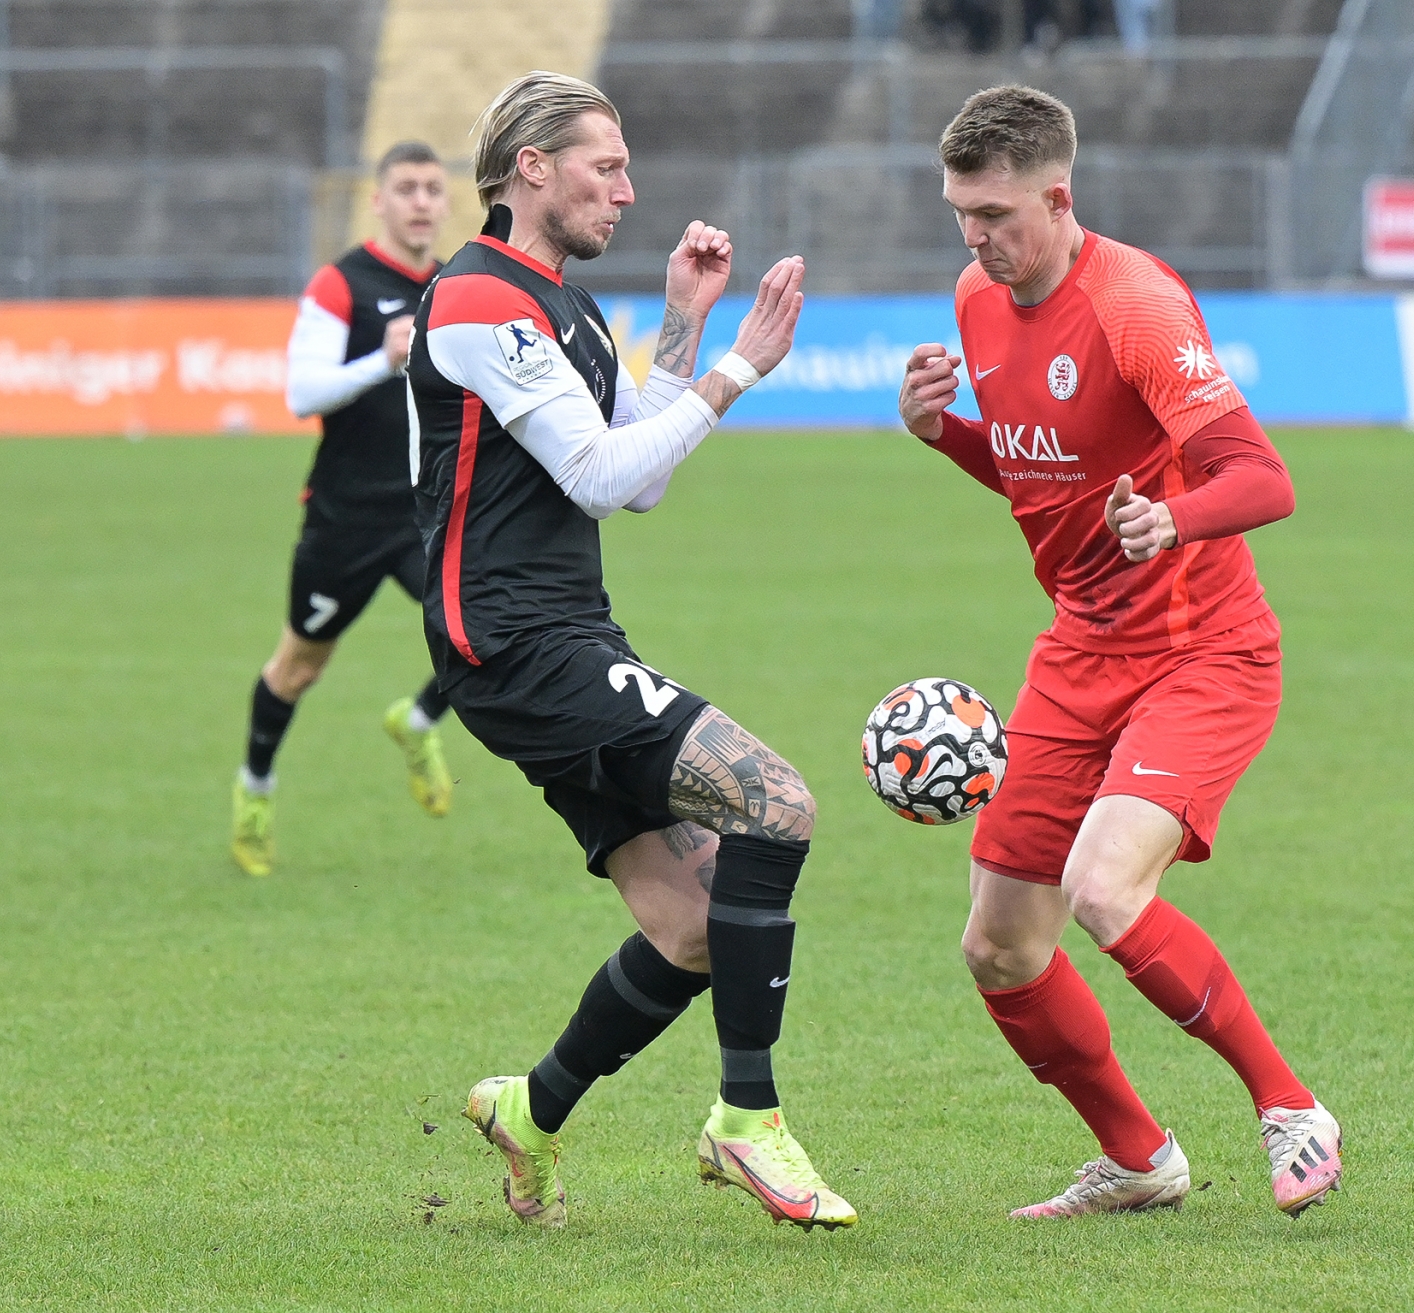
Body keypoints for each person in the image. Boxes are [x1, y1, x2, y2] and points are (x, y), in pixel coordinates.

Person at [410, 71, 854, 1231]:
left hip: (561, 636)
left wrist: (685, 326)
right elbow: (599, 477)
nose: (628, 188)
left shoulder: (561, 306)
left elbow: (636, 478)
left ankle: (531, 1106)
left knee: (694, 928)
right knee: (775, 800)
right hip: (515, 643)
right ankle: (746, 1119)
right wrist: (739, 369)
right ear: (532, 167)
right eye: (605, 165)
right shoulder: (478, 300)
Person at [898, 85, 1343, 1220]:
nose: (974, 238)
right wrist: (942, 433)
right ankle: (1140, 1159)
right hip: (1078, 649)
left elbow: (1264, 478)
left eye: (995, 214)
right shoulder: (977, 298)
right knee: (1000, 945)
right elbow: (1038, 477)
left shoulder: (1135, 305)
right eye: (960, 213)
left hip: (1203, 650)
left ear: (1059, 198)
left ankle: (1290, 1105)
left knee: (1103, 888)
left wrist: (1173, 521)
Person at [229, 141, 455, 879]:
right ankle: (255, 790)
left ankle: (416, 722)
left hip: (425, 512)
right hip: (346, 518)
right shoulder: (342, 284)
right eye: (406, 188)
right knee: (298, 668)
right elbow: (302, 393)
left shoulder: (457, 286)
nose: (420, 201)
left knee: (488, 632)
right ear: (378, 202)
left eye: (432, 189)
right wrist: (382, 360)